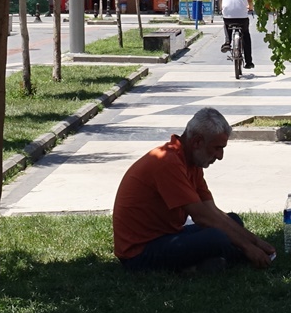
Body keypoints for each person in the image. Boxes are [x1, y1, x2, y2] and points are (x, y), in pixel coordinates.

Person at [113, 108, 277, 274]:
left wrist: (254, 241)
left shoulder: (191, 162)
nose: (220, 156)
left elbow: (212, 211)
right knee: (216, 238)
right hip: (138, 254)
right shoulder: (168, 163)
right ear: (197, 142)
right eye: (217, 148)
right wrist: (248, 247)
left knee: (233, 221)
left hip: (168, 235)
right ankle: (224, 260)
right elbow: (202, 217)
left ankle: (201, 265)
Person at [218, 0, 254, 70]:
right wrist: (250, 7)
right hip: (242, 16)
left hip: (228, 15)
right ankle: (249, 61)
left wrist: (221, 8)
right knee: (246, 34)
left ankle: (227, 42)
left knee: (226, 24)